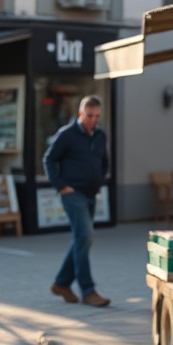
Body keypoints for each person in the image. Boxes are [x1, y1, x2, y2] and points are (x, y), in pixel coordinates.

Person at [44, 95, 110, 307]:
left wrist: (100, 180)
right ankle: (88, 290)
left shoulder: (100, 135)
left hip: (90, 193)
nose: (93, 120)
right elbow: (49, 160)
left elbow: (104, 161)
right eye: (90, 116)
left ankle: (61, 283)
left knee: (82, 239)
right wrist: (61, 186)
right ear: (80, 114)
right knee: (85, 236)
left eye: (97, 116)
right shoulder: (67, 134)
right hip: (72, 194)